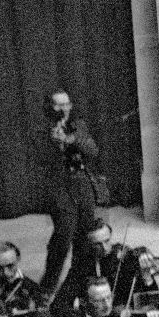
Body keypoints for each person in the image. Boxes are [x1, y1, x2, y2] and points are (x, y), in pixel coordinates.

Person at [39, 88, 100, 299]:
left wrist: (71, 139)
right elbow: (42, 161)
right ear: (50, 107)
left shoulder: (78, 126)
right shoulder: (42, 129)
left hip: (81, 183)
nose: (63, 108)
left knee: (85, 234)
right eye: (58, 104)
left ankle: (82, 281)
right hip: (58, 186)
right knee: (64, 234)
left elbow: (93, 151)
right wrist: (55, 143)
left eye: (66, 104)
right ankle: (48, 286)